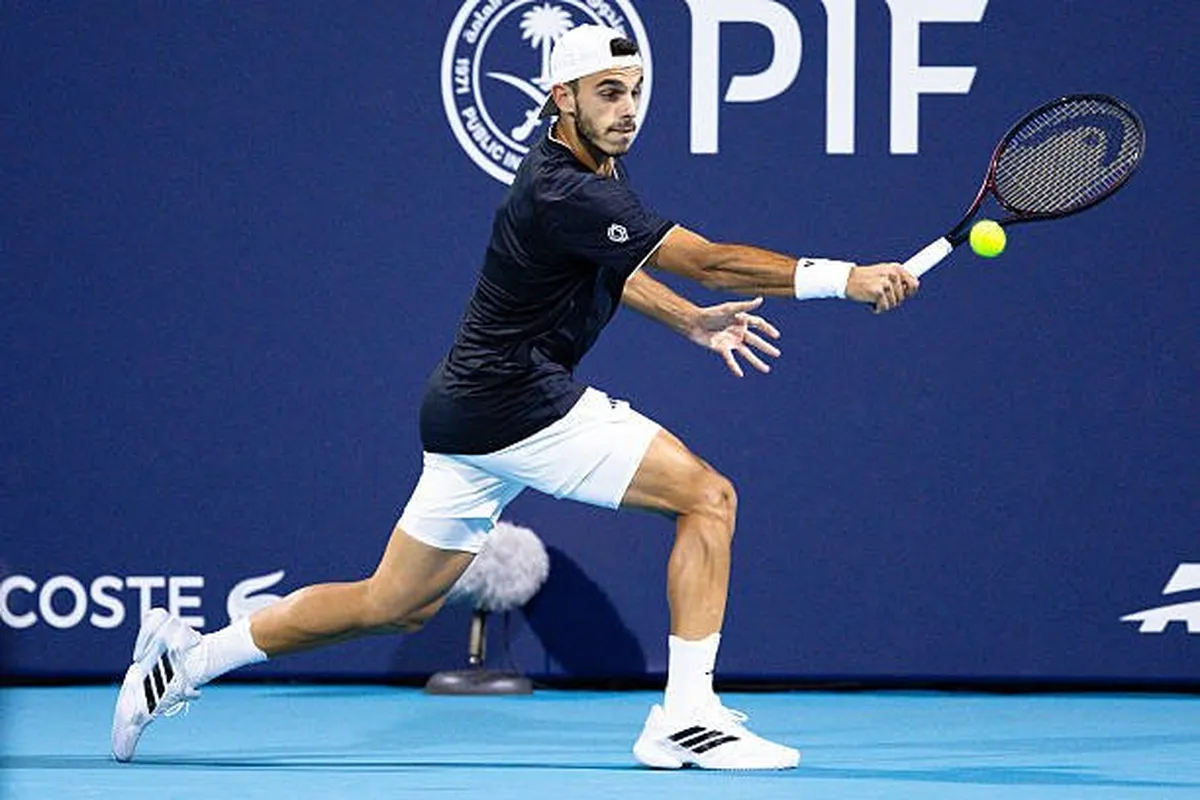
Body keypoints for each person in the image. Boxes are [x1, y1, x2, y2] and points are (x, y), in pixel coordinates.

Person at [111, 25, 918, 771]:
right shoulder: (570, 189)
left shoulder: (592, 179)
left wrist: (687, 324)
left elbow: (617, 266)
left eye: (634, 89)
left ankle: (188, 657)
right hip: (522, 405)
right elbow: (707, 260)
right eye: (608, 92)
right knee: (709, 498)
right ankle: (686, 715)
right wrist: (843, 279)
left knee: (390, 604)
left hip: (467, 414)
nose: (628, 108)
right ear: (561, 98)